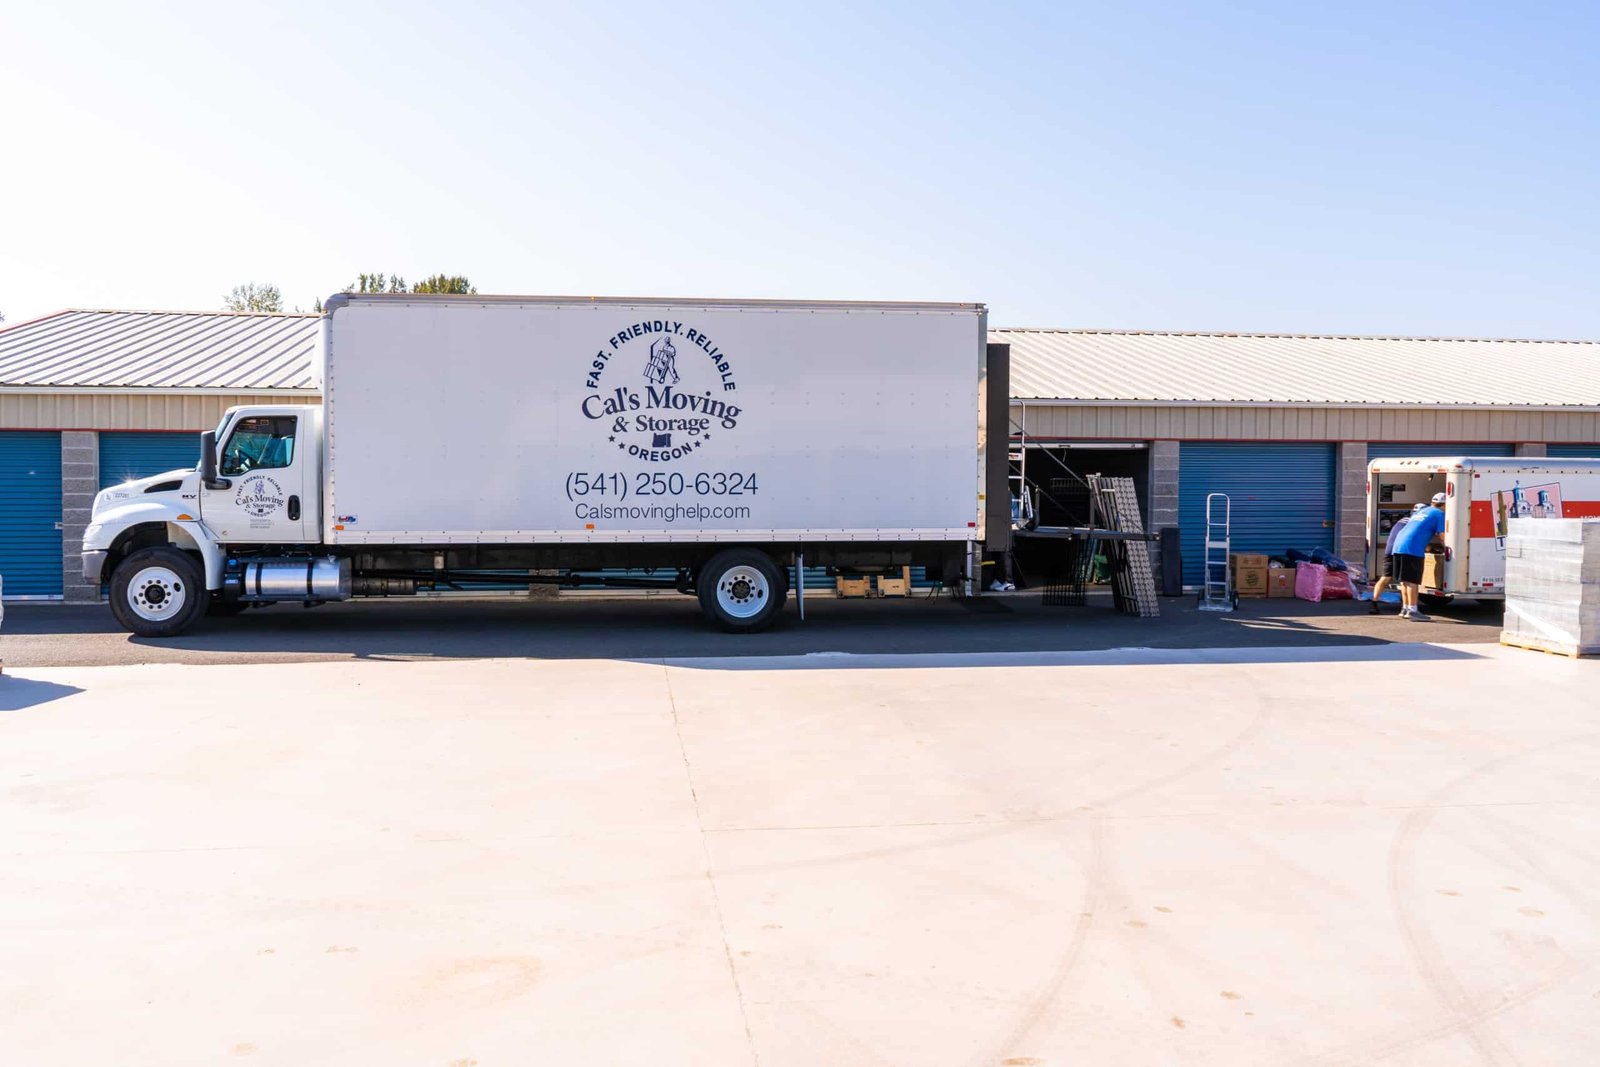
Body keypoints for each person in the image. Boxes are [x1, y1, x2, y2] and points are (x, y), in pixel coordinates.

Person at [1389, 492, 1447, 621]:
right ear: (1445, 505)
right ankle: (1413, 610)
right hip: (1412, 548)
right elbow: (1441, 535)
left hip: (1398, 546)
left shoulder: (1423, 511)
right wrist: (1448, 548)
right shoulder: (1439, 514)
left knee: (1404, 581)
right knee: (1412, 581)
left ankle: (1405, 609)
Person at [1369, 503, 1427, 614]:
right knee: (1406, 580)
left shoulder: (1402, 520)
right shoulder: (1414, 522)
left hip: (1389, 551)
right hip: (1399, 551)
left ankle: (1374, 603)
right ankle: (1407, 606)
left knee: (1385, 578)